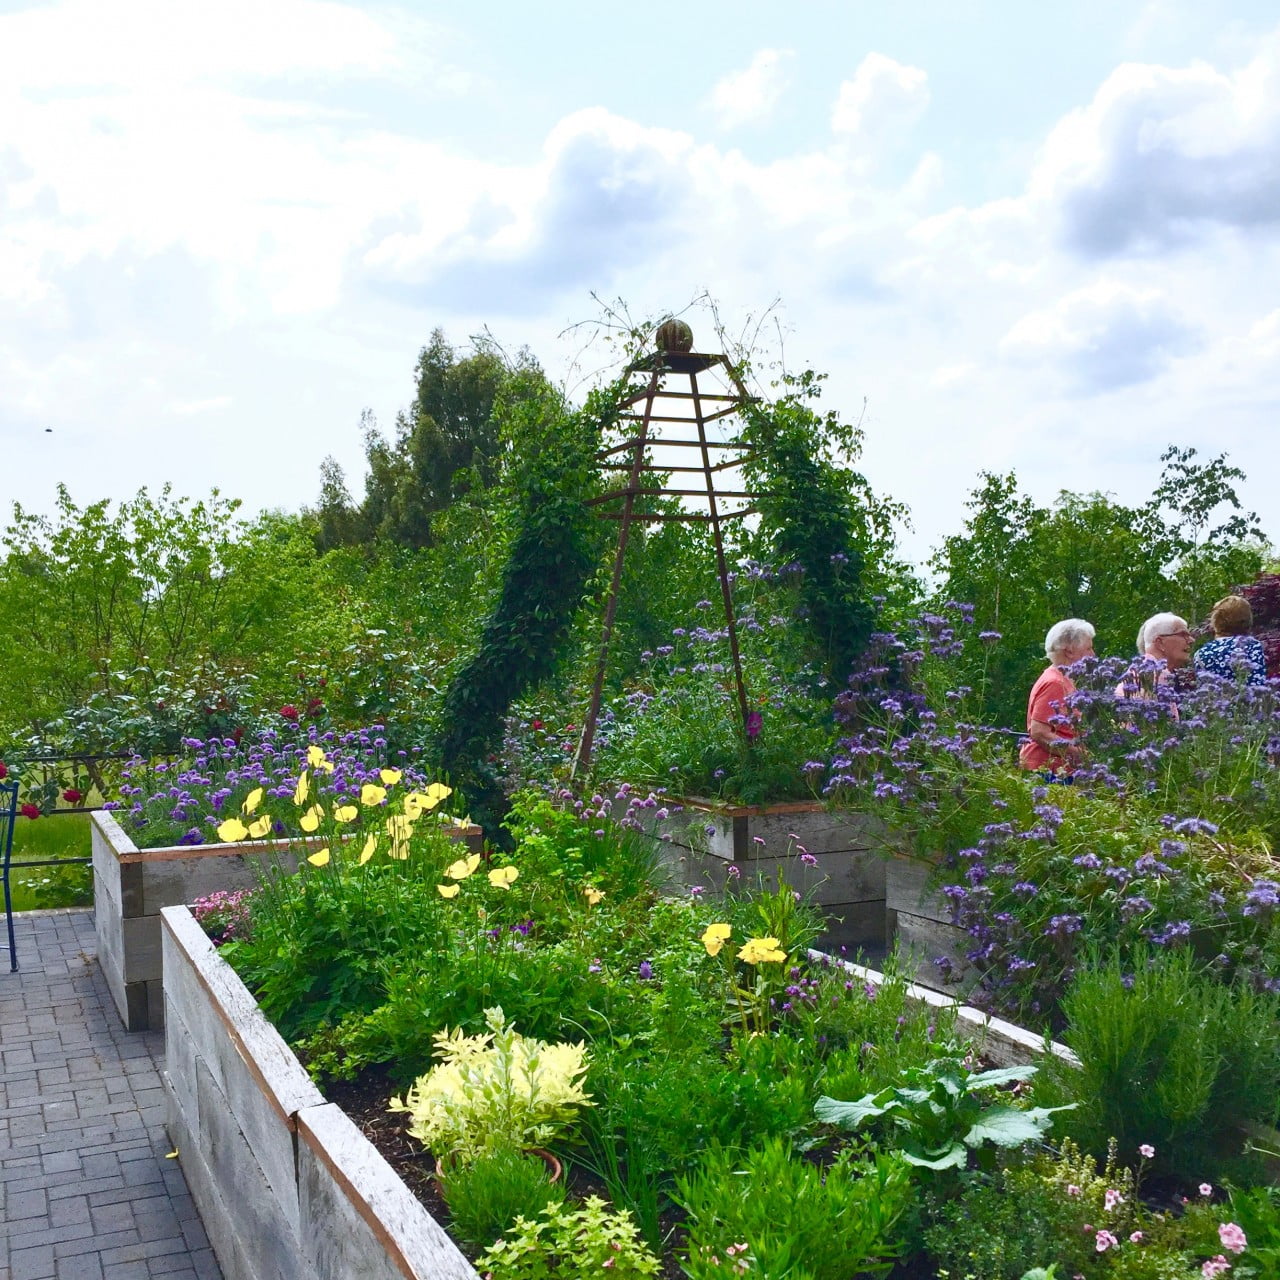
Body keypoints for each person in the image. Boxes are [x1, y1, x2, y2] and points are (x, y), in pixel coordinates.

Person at [1019, 619, 1095, 774]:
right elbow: (1039, 732)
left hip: (1060, 771)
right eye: (1088, 648)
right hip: (1047, 773)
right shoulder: (1054, 682)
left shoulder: (1064, 679)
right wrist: (1081, 756)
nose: (1092, 655)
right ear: (1069, 651)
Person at [1115, 612, 1194, 703]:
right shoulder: (1151, 676)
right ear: (1160, 643)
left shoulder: (1156, 673)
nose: (1191, 640)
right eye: (1183, 634)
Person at [1194, 594, 1268, 687]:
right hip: (1246, 700)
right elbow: (1258, 684)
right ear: (1246, 620)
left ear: (1216, 620)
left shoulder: (1201, 653)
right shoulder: (1252, 645)